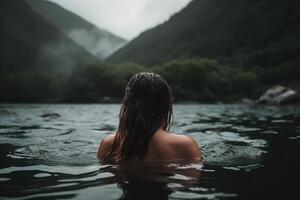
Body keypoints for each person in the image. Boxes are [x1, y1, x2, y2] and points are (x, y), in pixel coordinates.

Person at [97, 72, 202, 163]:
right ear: (165, 105)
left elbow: (109, 181)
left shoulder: (108, 144)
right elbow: (189, 182)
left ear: (128, 104)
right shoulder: (185, 145)